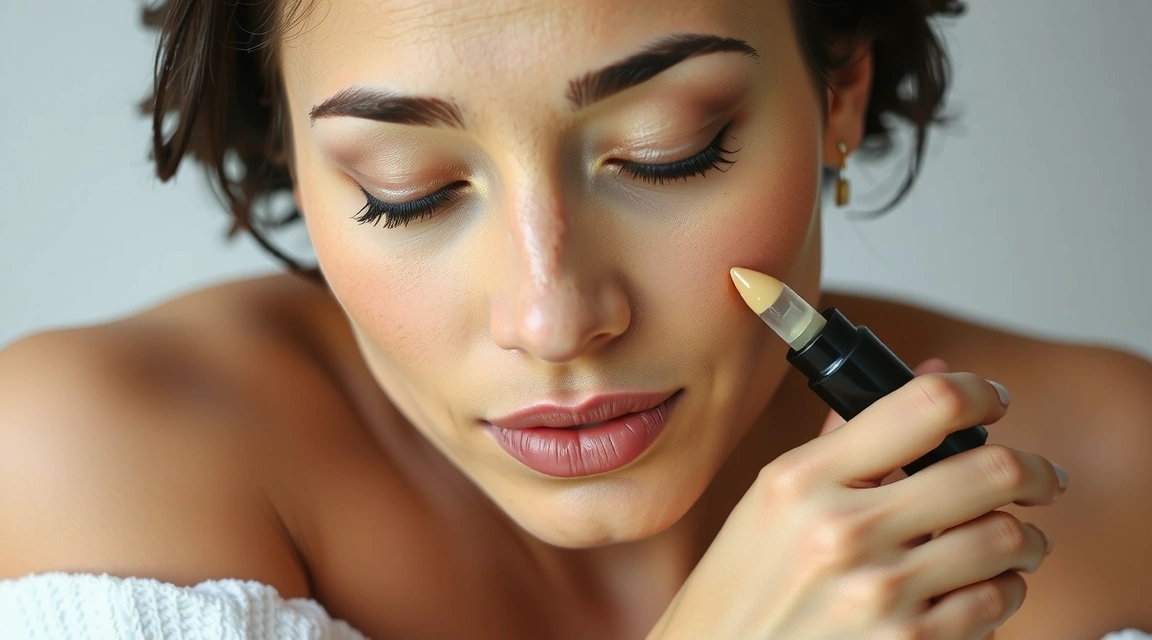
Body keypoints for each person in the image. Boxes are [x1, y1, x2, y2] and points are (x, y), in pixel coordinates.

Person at [1, 0, 1150, 638]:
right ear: (293, 162)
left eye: (668, 152)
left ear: (838, 87)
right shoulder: (98, 453)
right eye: (408, 189)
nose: (552, 317)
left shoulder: (1115, 470)